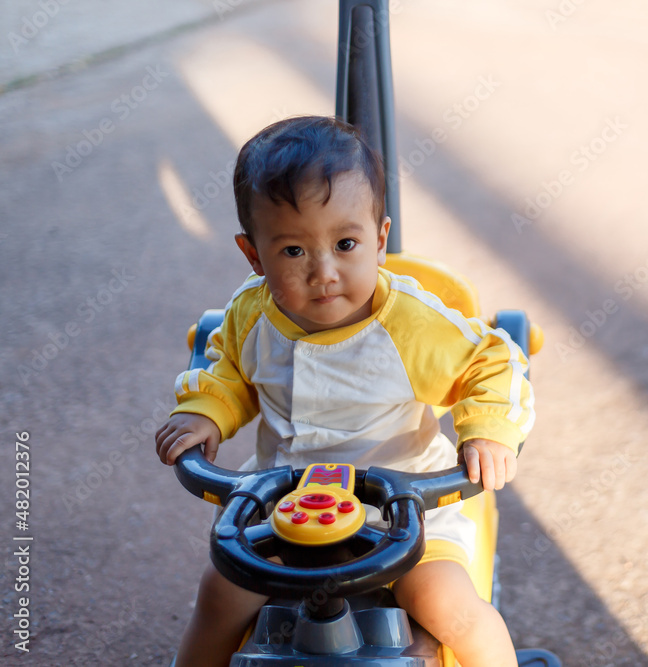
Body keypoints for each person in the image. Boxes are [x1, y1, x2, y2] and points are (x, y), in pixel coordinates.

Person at [155, 115, 533, 667]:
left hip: (404, 507)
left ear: (379, 240)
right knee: (220, 593)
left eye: (346, 242)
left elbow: (492, 360)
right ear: (253, 255)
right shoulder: (250, 316)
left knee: (445, 605)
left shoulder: (409, 326)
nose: (324, 272)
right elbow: (226, 373)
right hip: (285, 505)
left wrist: (489, 433)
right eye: (293, 252)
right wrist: (206, 413)